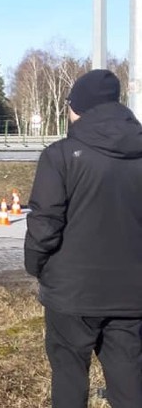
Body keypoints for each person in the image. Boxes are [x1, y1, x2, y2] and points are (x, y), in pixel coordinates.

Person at [25, 69, 142, 408]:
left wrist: (35, 266)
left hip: (71, 293)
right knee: (129, 378)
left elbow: (45, 223)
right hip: (131, 294)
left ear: (79, 108)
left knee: (69, 376)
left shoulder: (61, 155)